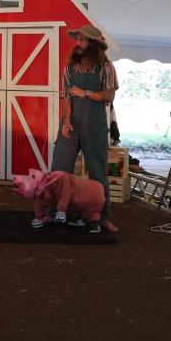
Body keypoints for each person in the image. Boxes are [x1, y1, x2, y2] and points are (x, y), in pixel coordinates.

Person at [50, 24, 120, 233]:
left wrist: (87, 93)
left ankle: (102, 217)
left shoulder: (106, 67)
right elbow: (65, 95)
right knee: (59, 170)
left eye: (82, 39)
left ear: (93, 44)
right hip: (71, 125)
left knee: (98, 172)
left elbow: (109, 96)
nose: (77, 43)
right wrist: (66, 120)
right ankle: (57, 212)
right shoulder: (69, 67)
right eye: (77, 39)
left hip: (95, 125)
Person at [13, 168, 106, 234]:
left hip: (92, 192)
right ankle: (83, 220)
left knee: (88, 208)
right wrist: (38, 217)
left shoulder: (61, 179)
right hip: (76, 200)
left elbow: (65, 195)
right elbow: (39, 201)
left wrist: (61, 210)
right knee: (76, 205)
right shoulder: (41, 191)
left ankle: (94, 224)